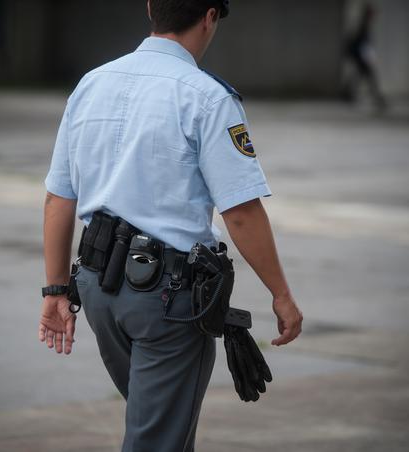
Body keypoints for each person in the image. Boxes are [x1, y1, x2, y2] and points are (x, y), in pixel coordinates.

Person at [39, 1, 303, 450]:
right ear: (209, 16)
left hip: (100, 291)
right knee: (158, 439)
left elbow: (59, 198)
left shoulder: (91, 84)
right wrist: (281, 294)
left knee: (159, 427)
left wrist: (55, 291)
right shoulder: (207, 96)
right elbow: (239, 211)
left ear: (150, 8)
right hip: (165, 300)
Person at [343, 2, 388, 111]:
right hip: (361, 57)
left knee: (360, 77)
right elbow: (363, 43)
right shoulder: (364, 25)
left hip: (360, 57)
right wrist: (368, 57)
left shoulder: (363, 25)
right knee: (370, 78)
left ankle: (348, 94)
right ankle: (378, 100)